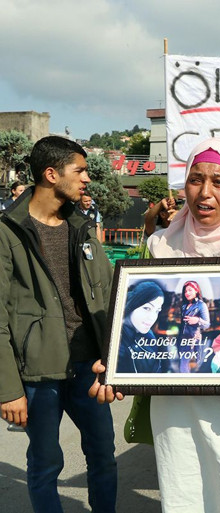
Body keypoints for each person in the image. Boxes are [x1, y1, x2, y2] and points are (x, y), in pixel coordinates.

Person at [90, 137, 220, 512]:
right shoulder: (160, 246)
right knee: (185, 496)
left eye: (218, 181)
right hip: (174, 408)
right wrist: (118, 364)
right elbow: (134, 318)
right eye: (195, 179)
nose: (205, 192)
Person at [0, 136, 117, 512]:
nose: (87, 178)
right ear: (51, 174)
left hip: (89, 368)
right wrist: (8, 390)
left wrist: (118, 364)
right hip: (39, 374)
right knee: (46, 463)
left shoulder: (83, 227)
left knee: (103, 456)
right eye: (79, 170)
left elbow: (110, 295)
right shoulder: (7, 232)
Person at [118, 280, 171, 374]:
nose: (152, 318)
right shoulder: (117, 342)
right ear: (133, 304)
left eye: (157, 311)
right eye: (147, 308)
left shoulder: (148, 335)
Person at [176, 280, 210, 373]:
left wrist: (197, 320)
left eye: (190, 290)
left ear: (196, 291)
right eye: (185, 291)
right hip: (182, 340)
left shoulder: (201, 305)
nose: (187, 293)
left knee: (190, 366)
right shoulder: (184, 306)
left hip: (194, 340)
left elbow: (207, 324)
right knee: (183, 365)